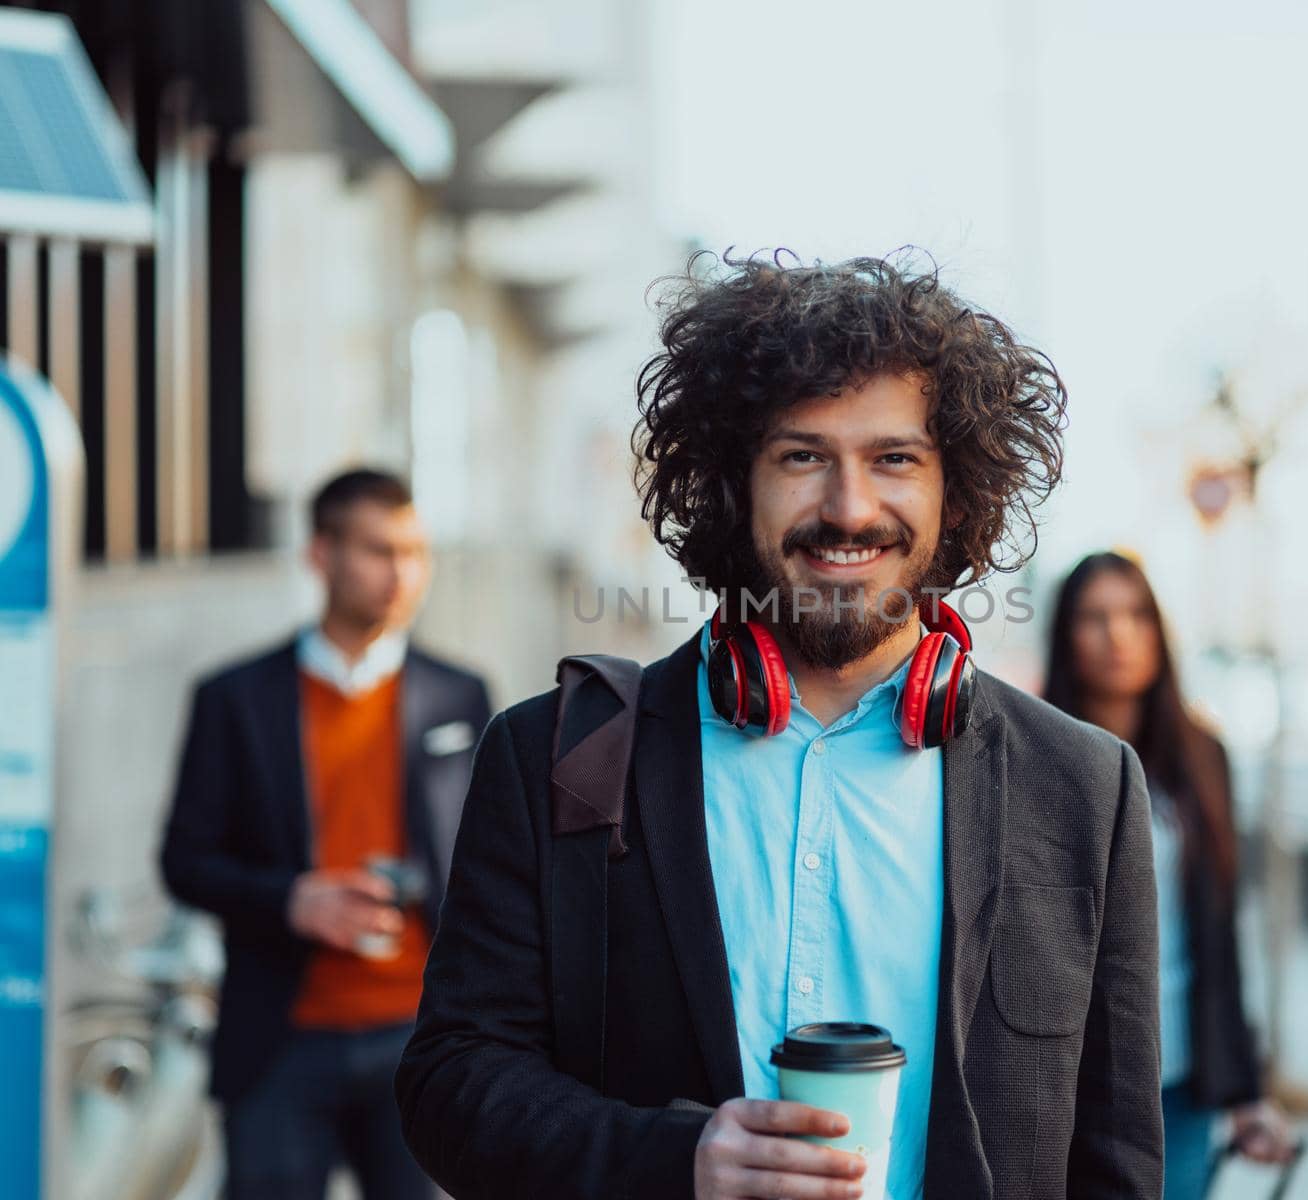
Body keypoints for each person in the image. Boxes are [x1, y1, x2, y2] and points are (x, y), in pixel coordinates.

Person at [396, 253, 1165, 1200]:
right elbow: (449, 1084)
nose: (848, 508)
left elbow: (1118, 1165)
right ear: (733, 487)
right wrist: (673, 1162)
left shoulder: (1085, 786)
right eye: (802, 457)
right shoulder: (554, 755)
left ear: (954, 494)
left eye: (895, 459)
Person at [160, 468, 492, 1200]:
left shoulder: (461, 694)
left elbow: (486, 859)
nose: (402, 574)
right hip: (278, 1042)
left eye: (414, 552)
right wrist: (291, 900)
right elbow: (183, 862)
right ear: (320, 555)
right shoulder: (235, 699)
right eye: (378, 550)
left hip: (422, 1039)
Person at [1043, 551, 1297, 1199]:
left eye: (1136, 616)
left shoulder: (1202, 756)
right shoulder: (1034, 754)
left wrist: (1246, 1091)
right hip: (1066, 1083)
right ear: (1065, 635)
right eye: (1094, 618)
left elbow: (1219, 937)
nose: (1118, 636)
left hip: (1178, 1082)